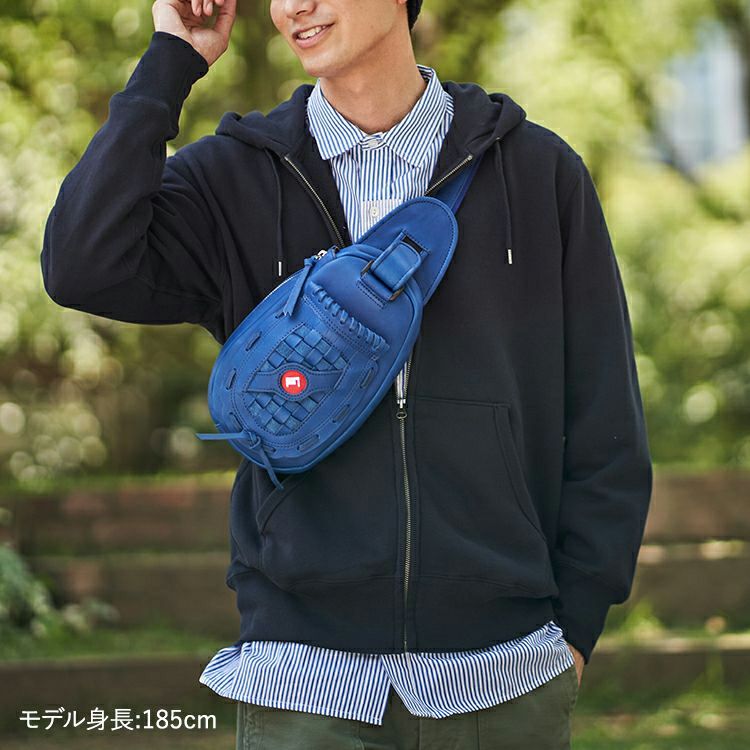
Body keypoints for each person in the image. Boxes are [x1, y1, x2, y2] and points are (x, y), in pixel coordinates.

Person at [40, 0, 653, 748]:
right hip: (300, 679)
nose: (292, 7)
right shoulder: (236, 177)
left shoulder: (537, 172)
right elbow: (80, 264)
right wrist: (171, 61)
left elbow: (604, 416)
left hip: (504, 674)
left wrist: (576, 629)